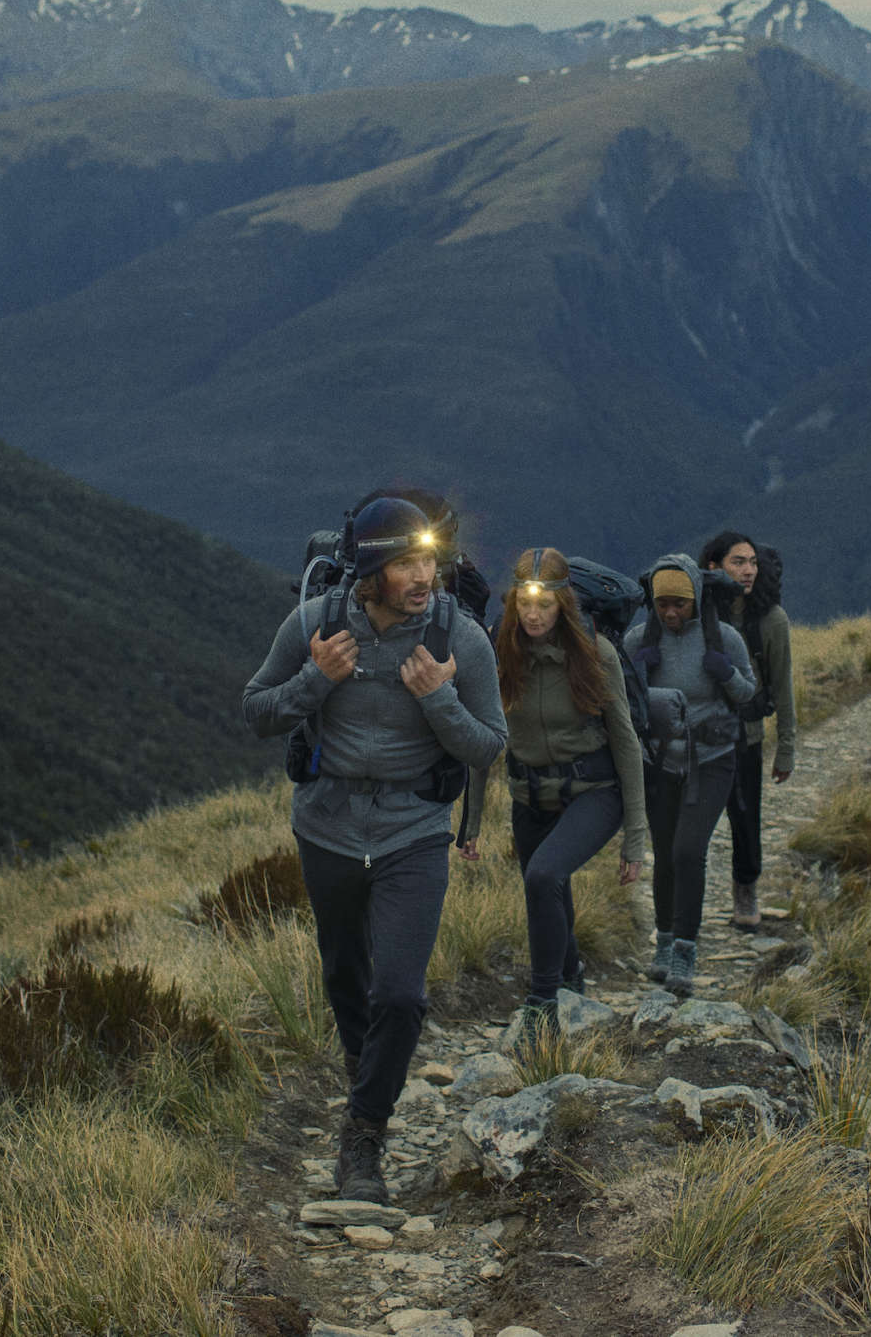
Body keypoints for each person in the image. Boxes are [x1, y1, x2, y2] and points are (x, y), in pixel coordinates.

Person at [242, 495, 507, 1205]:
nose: (424, 575)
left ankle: (363, 1137)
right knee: (344, 976)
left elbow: (489, 745)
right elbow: (256, 710)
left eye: (430, 560)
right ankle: (369, 1070)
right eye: (406, 563)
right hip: (326, 823)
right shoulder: (316, 625)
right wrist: (316, 678)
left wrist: (438, 700)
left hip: (413, 830)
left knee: (399, 991)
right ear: (369, 571)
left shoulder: (461, 639)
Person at [460, 548, 649, 1048]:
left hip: (595, 790)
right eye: (525, 603)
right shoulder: (501, 655)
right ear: (514, 602)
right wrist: (471, 824)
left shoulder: (595, 653)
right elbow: (485, 740)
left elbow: (627, 743)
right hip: (529, 793)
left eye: (544, 605)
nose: (534, 614)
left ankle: (542, 1003)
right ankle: (571, 979)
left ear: (563, 604)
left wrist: (635, 839)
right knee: (546, 885)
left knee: (543, 875)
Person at [624, 556, 755, 995]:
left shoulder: (725, 639)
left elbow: (748, 693)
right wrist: (636, 674)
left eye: (679, 604)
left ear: (696, 598)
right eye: (663, 604)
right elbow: (619, 702)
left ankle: (684, 949)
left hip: (713, 758)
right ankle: (662, 944)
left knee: (687, 850)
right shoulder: (640, 639)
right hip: (661, 761)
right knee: (663, 853)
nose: (671, 613)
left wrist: (728, 673)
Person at [700, 530, 797, 932]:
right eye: (738, 562)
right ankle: (681, 898)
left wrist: (786, 747)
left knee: (745, 817)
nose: (748, 570)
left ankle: (745, 889)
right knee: (692, 820)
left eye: (753, 562)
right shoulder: (700, 613)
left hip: (746, 736)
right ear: (714, 567)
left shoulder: (770, 619)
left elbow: (782, 684)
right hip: (700, 735)